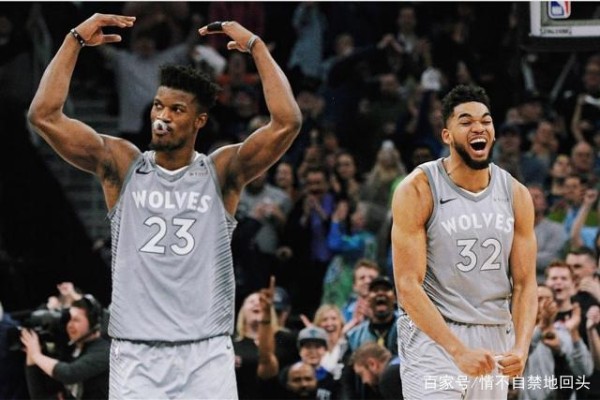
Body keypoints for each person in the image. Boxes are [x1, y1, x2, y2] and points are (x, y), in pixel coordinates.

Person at [27, 13, 302, 399]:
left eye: (176, 110)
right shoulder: (122, 165)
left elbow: (287, 122)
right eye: (158, 106)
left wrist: (256, 47)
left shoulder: (221, 171)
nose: (162, 117)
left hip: (206, 350)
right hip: (137, 351)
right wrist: (74, 40)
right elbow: (43, 115)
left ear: (199, 120)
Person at [391, 84, 538, 399]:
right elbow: (407, 286)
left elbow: (526, 284)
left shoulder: (516, 194)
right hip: (434, 335)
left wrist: (521, 347)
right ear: (447, 135)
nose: (478, 127)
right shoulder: (418, 189)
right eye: (466, 121)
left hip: (494, 333)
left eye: (486, 121)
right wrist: (457, 350)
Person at [20, 296, 110, 400]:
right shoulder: (70, 349)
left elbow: (69, 374)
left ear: (93, 322)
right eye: (68, 320)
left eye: (76, 320)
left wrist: (36, 355)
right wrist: (31, 352)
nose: (70, 325)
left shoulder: (104, 350)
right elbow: (39, 397)